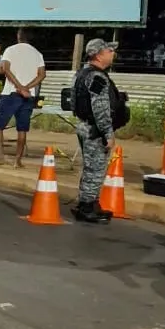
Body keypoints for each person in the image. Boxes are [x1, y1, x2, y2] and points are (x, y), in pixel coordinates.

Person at [71, 39, 124, 223]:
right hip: (95, 130)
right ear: (98, 54)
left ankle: (90, 203)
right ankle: (87, 207)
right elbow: (100, 108)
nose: (112, 53)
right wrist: (108, 133)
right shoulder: (97, 77)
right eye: (109, 50)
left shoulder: (82, 73)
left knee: (91, 168)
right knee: (95, 169)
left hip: (85, 125)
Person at [0, 28, 45, 167]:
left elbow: (6, 70)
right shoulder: (37, 53)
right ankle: (17, 160)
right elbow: (42, 75)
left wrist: (20, 87)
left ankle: (1, 156)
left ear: (18, 36)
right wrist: (27, 87)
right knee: (22, 129)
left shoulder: (10, 50)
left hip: (10, 93)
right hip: (29, 96)